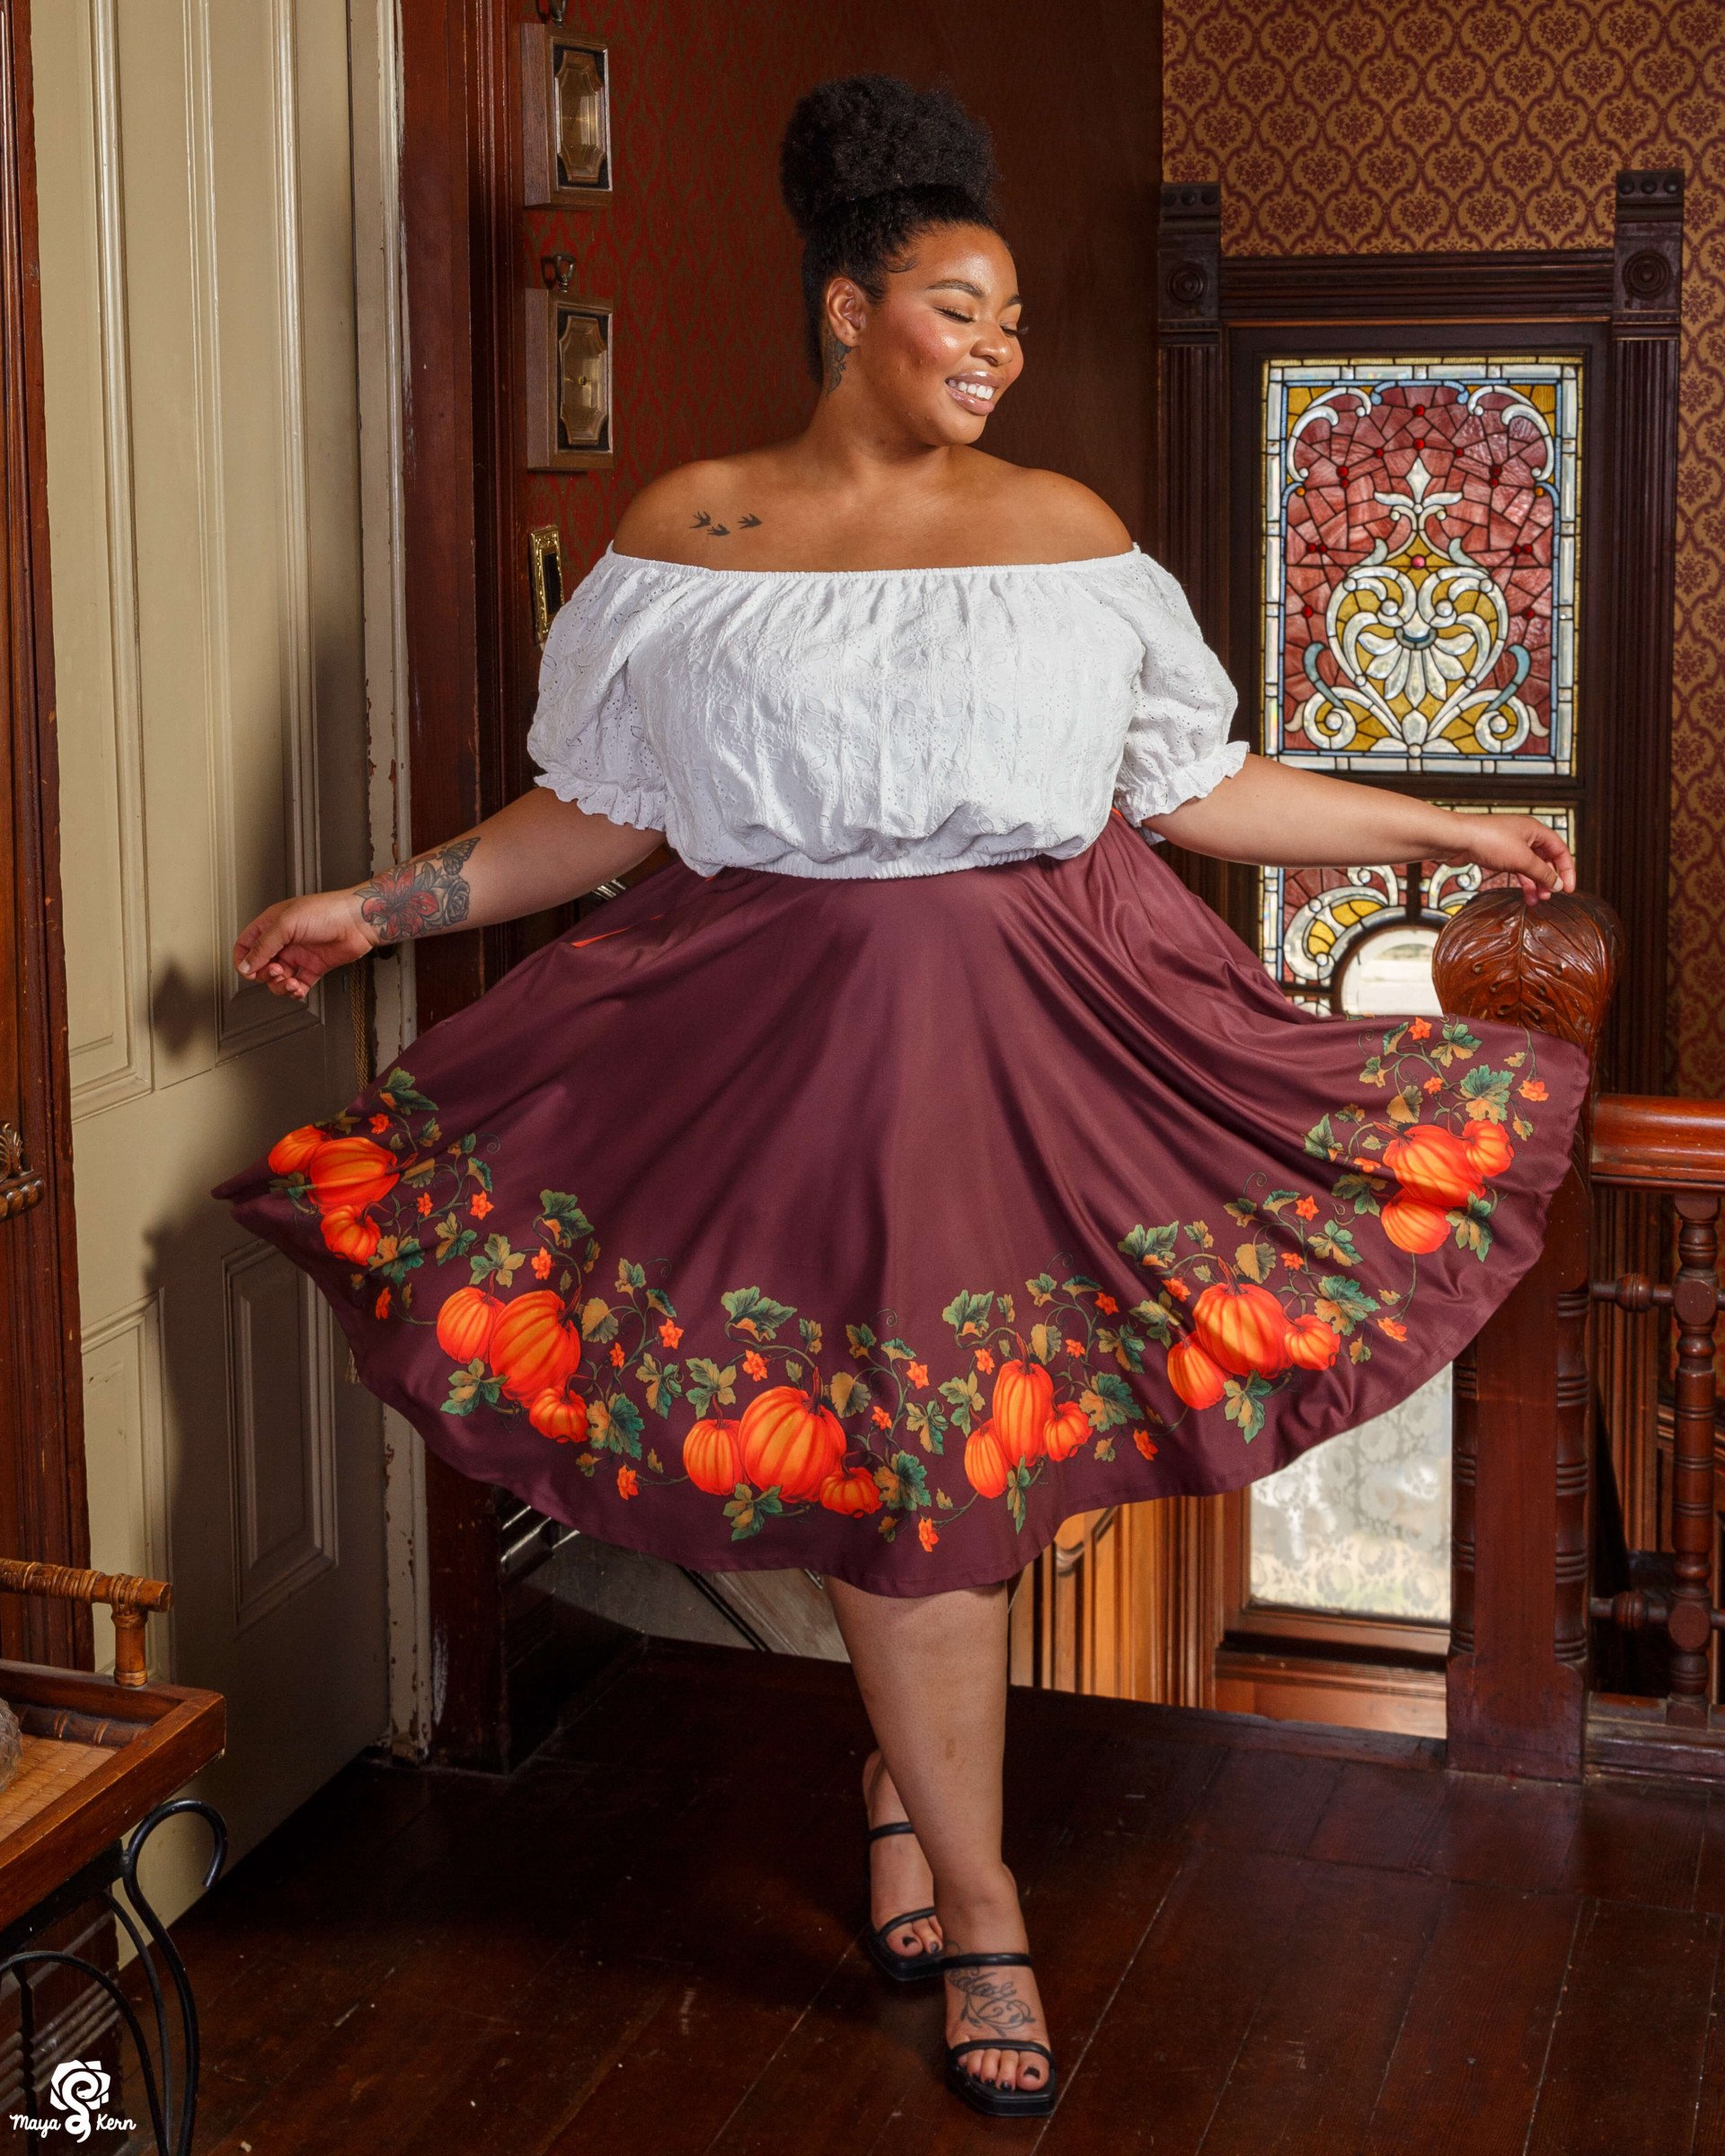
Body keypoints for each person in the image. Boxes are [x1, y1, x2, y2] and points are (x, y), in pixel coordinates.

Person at [211, 74, 1589, 2122]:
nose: (999, 350)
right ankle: (982, 1889)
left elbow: (1194, 791)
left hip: (1045, 1034)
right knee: (905, 1480)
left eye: (1017, 321)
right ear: (853, 305)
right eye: (964, 307)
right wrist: (377, 907)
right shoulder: (689, 532)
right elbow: (594, 819)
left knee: (972, 1463)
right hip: (783, 1045)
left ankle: (912, 1788)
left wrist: (1441, 832)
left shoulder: (1067, 537)